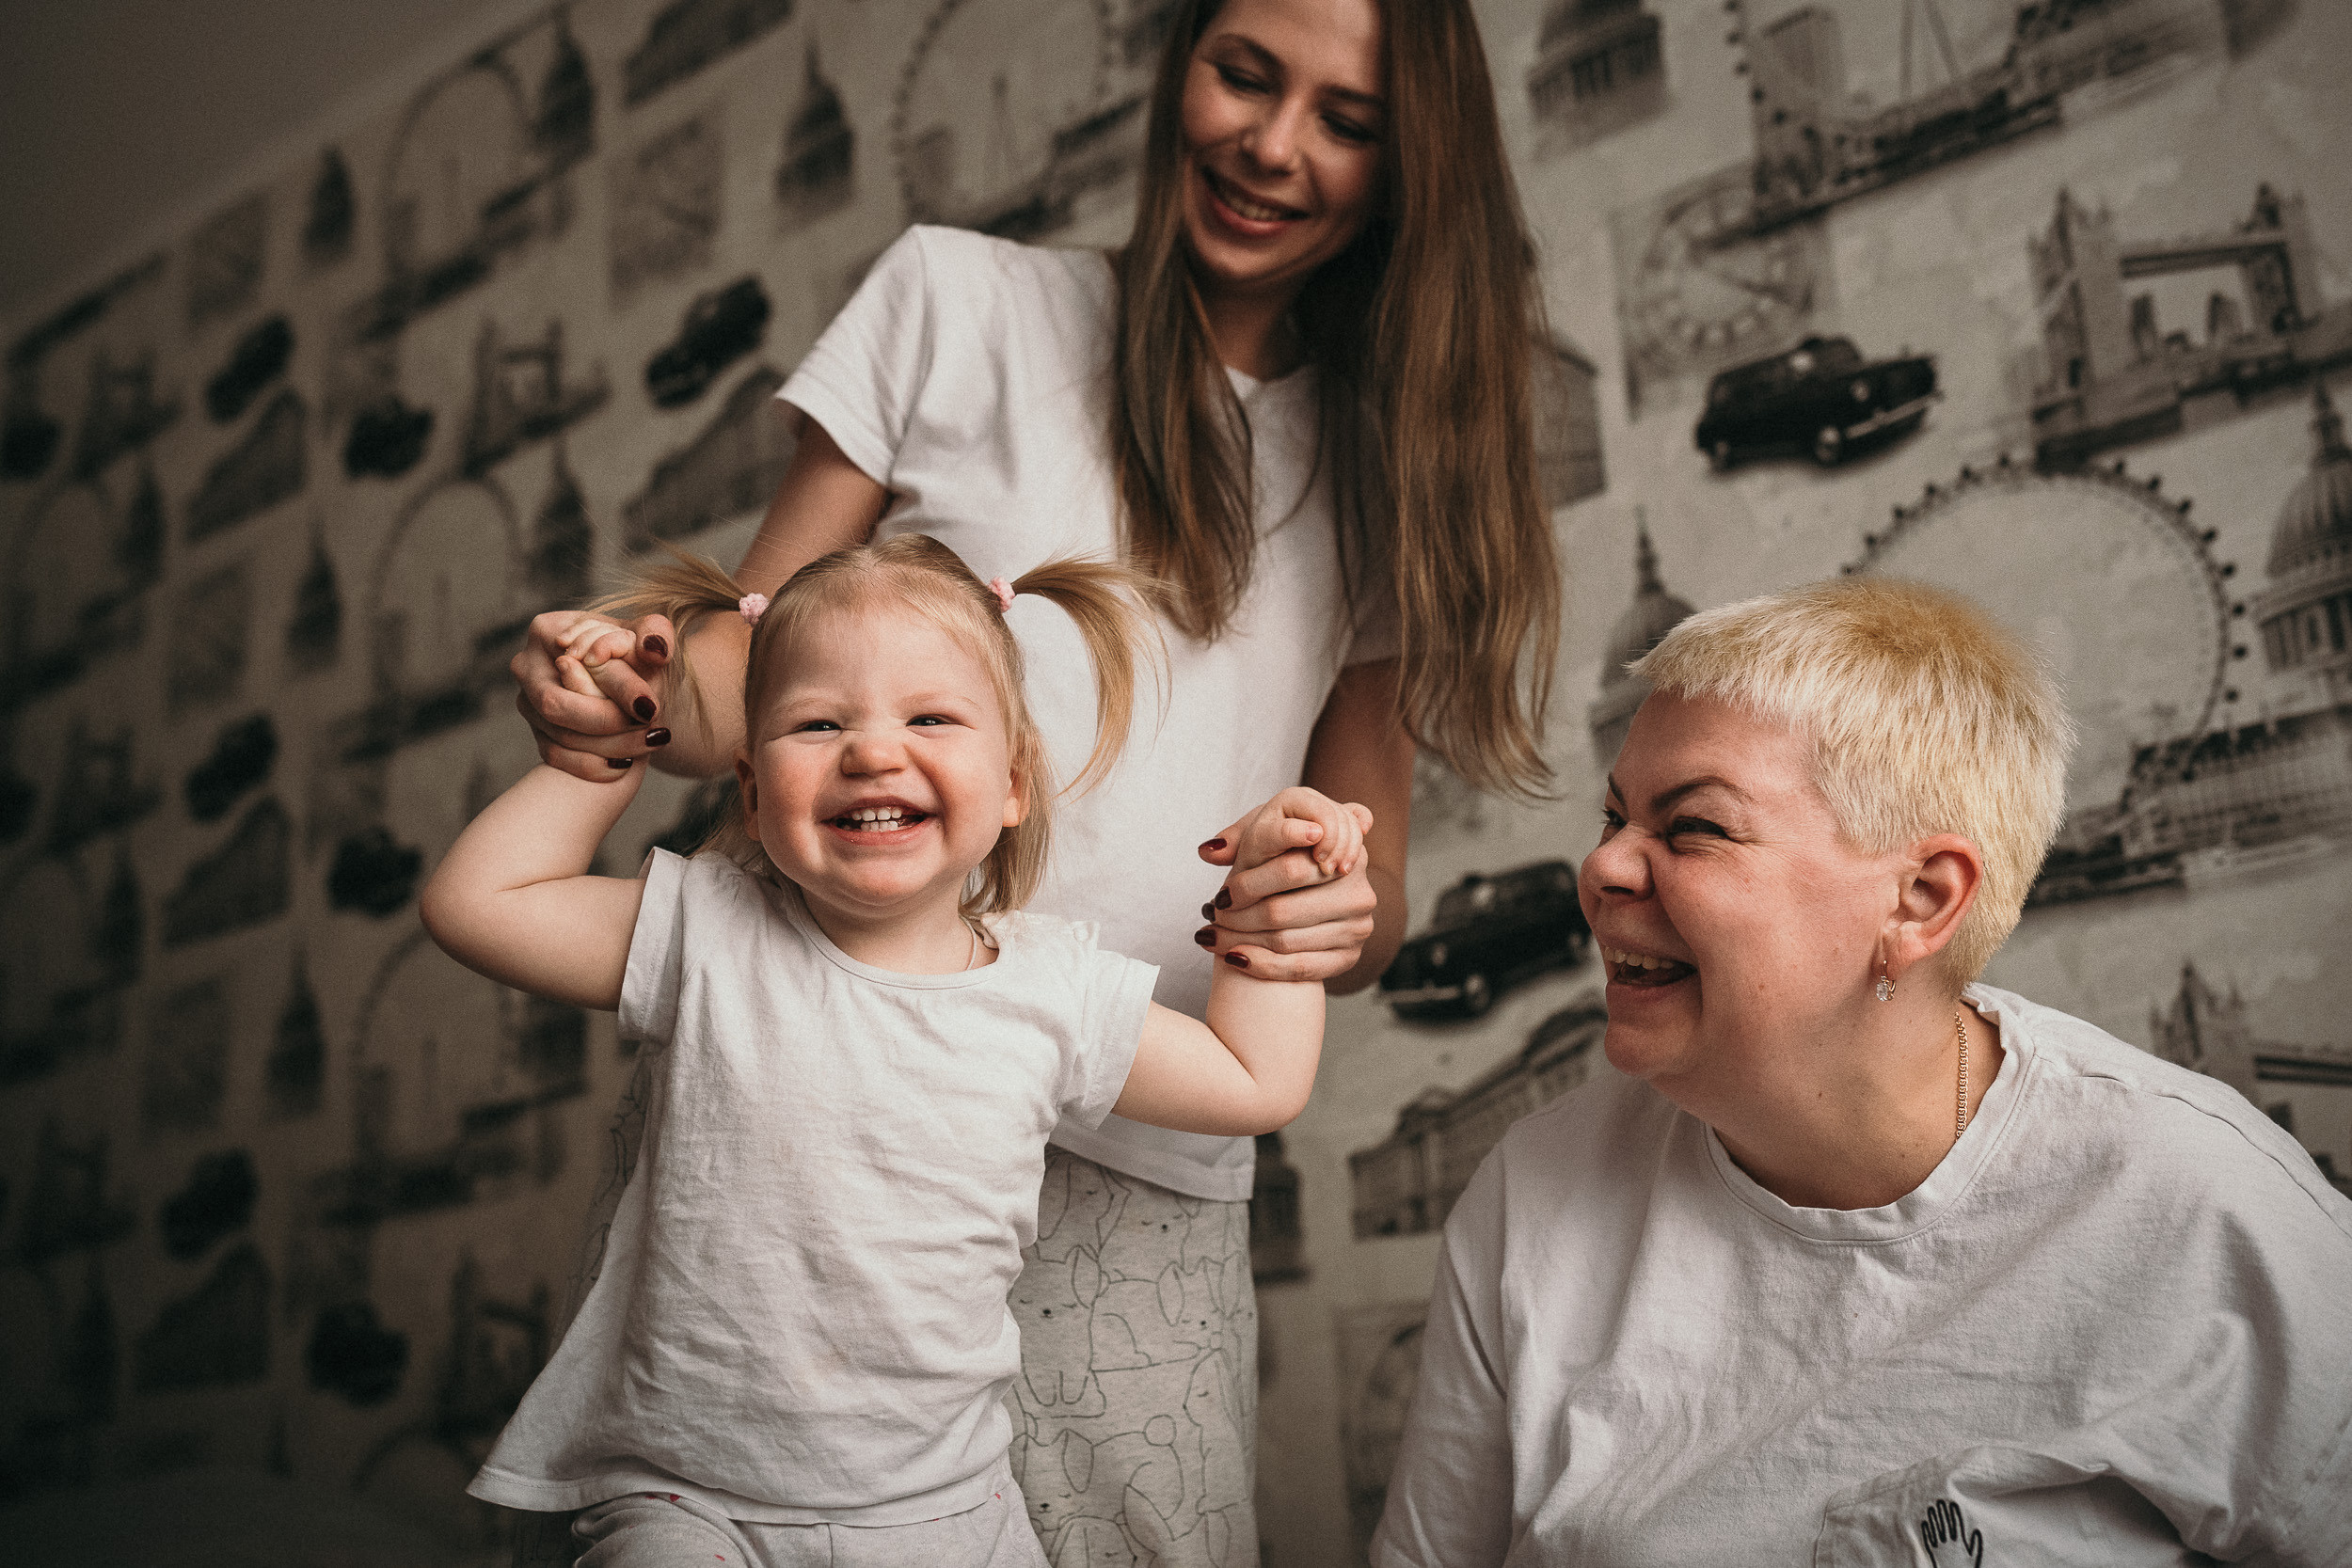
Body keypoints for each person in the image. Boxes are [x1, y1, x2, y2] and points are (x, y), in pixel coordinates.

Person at [512, 0, 1557, 1557]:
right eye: (1243, 74)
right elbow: (746, 666)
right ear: (1180, 65)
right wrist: (625, 690)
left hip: (1144, 1151)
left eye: (1347, 121)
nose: (1271, 144)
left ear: (1415, 166)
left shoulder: (1389, 470)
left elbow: (1377, 878)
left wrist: (1326, 900)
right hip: (809, 1094)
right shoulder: (957, 299)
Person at [424, 535, 1370, 1567]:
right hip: (685, 1501)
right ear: (752, 791)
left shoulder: (1053, 990)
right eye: (818, 722)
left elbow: (1254, 1080)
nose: (873, 751)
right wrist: (595, 760)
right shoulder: (707, 928)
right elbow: (479, 905)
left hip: (940, 1514)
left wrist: (1275, 899)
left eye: (929, 718)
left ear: (1012, 784)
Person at [1374, 578, 2352, 1566]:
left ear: (1920, 899)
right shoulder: (1528, 1195)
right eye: (1613, 817)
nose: (1602, 869)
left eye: (1693, 826)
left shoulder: (2206, 1209)